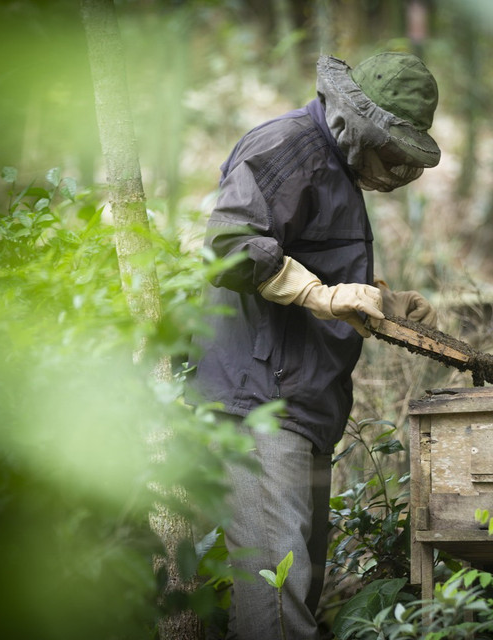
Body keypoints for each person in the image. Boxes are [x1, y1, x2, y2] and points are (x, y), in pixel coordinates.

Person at [187, 52, 441, 639]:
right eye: (393, 150)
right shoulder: (288, 147)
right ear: (355, 124)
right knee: (276, 604)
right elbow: (229, 244)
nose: (399, 167)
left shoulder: (338, 172)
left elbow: (317, 269)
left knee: (296, 590)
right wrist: (322, 298)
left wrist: (384, 302)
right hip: (258, 405)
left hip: (303, 410)